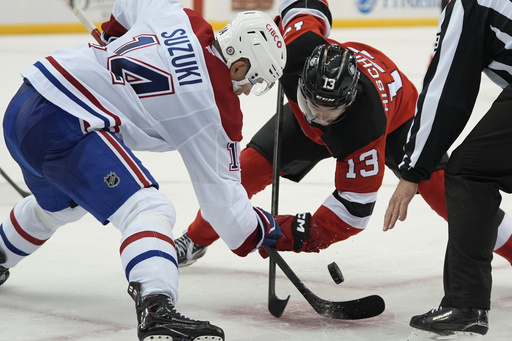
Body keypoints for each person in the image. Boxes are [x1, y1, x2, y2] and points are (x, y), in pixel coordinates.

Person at [0, 1, 286, 340]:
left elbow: (128, 4)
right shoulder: (217, 111)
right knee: (149, 208)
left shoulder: (181, 17)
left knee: (61, 206)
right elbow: (227, 214)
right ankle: (156, 309)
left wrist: (112, 34)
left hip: (25, 103)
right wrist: (260, 229)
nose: (250, 89)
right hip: (63, 124)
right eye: (253, 79)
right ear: (238, 66)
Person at [173, 0, 512, 268]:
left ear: (348, 102)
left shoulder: (363, 128)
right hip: (318, 113)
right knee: (244, 170)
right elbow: (305, 5)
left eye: (329, 112)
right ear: (302, 80)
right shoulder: (297, 48)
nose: (319, 117)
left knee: (450, 195)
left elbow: (350, 215)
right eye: (312, 104)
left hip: (398, 122)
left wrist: (283, 232)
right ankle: (194, 239)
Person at [383, 0, 512, 338]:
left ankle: (466, 303)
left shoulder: (468, 4)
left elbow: (448, 90)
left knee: (470, 170)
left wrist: (412, 170)